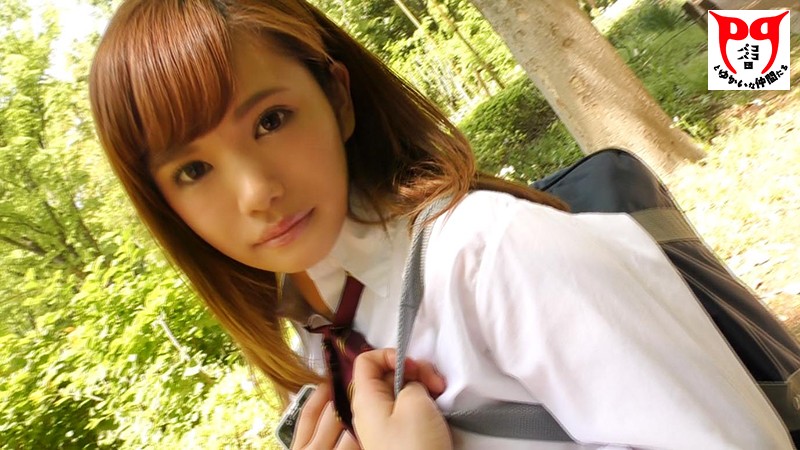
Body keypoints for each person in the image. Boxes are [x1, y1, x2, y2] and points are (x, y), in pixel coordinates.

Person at [89, 0, 792, 448]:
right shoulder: (313, 342)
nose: (255, 192)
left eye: (271, 120)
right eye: (193, 169)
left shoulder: (495, 256)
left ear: (337, 98)